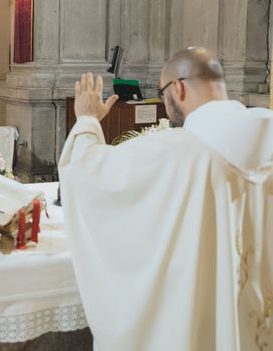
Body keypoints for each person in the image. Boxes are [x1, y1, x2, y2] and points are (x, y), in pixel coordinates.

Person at [58, 47, 273, 351]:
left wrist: (88, 121)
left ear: (179, 87)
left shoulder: (177, 152)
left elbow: (88, 173)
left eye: (162, 92)